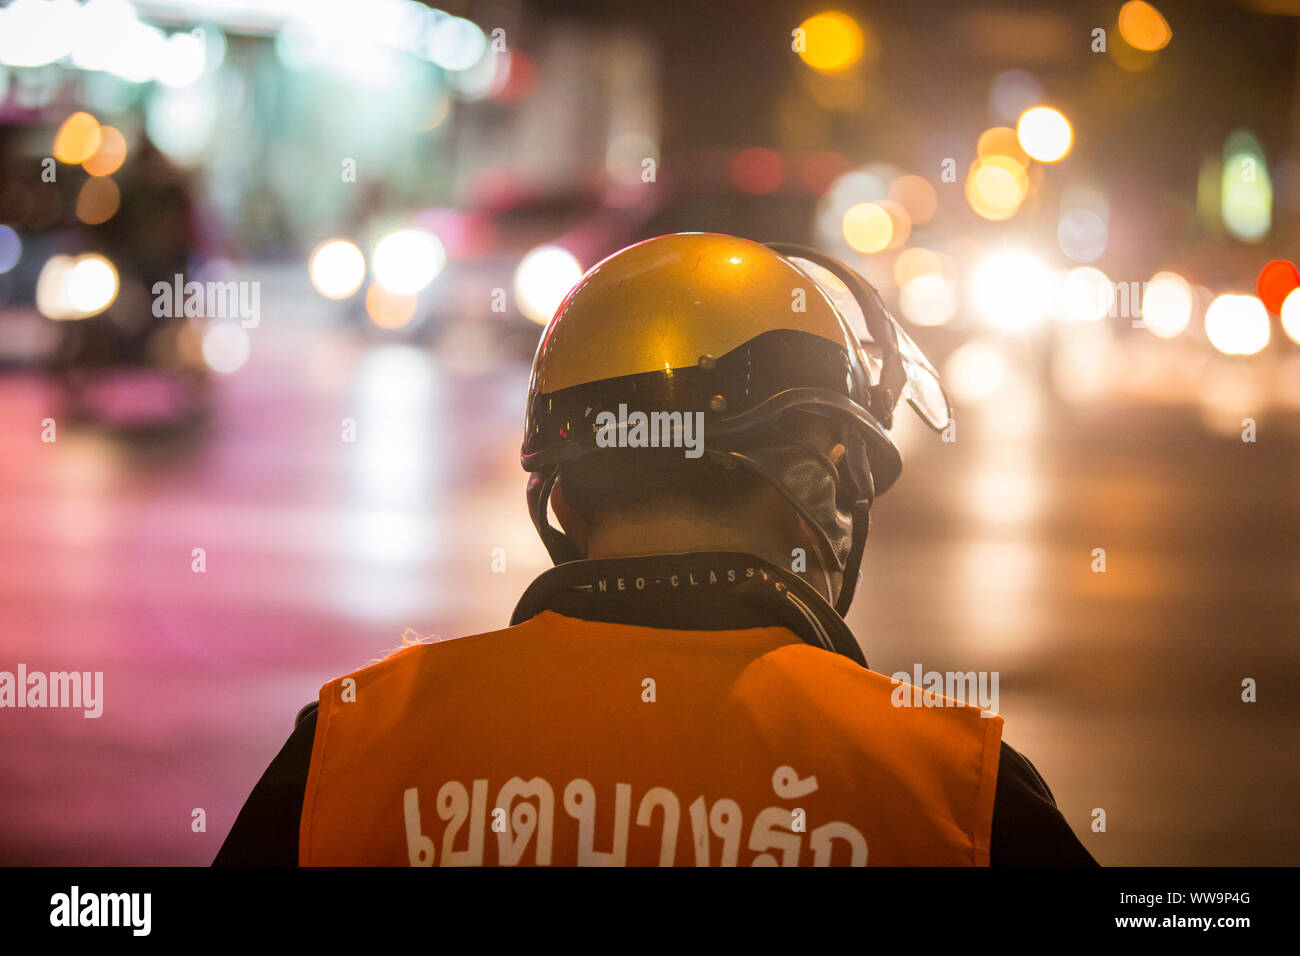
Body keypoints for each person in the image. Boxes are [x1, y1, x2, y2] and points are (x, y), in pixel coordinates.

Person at [216, 232, 1095, 866]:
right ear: (814, 481)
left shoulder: (353, 747)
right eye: (836, 463)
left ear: (560, 490)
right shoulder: (950, 794)